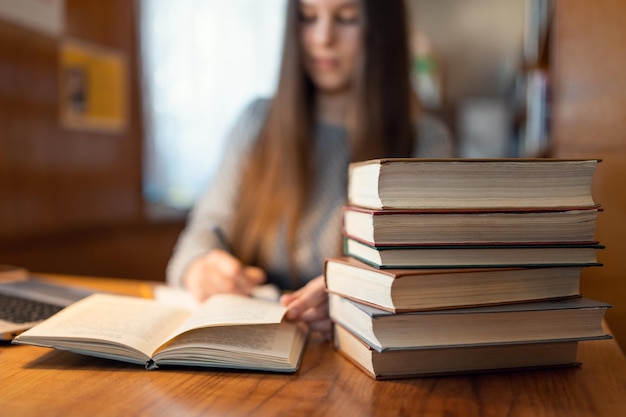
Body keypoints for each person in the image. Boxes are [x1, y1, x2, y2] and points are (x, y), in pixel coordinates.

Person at [166, 0, 453, 339]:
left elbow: (427, 279)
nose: (322, 37)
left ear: (382, 30)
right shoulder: (256, 124)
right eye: (307, 17)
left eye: (346, 18)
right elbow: (204, 229)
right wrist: (200, 267)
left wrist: (355, 301)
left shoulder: (425, 143)